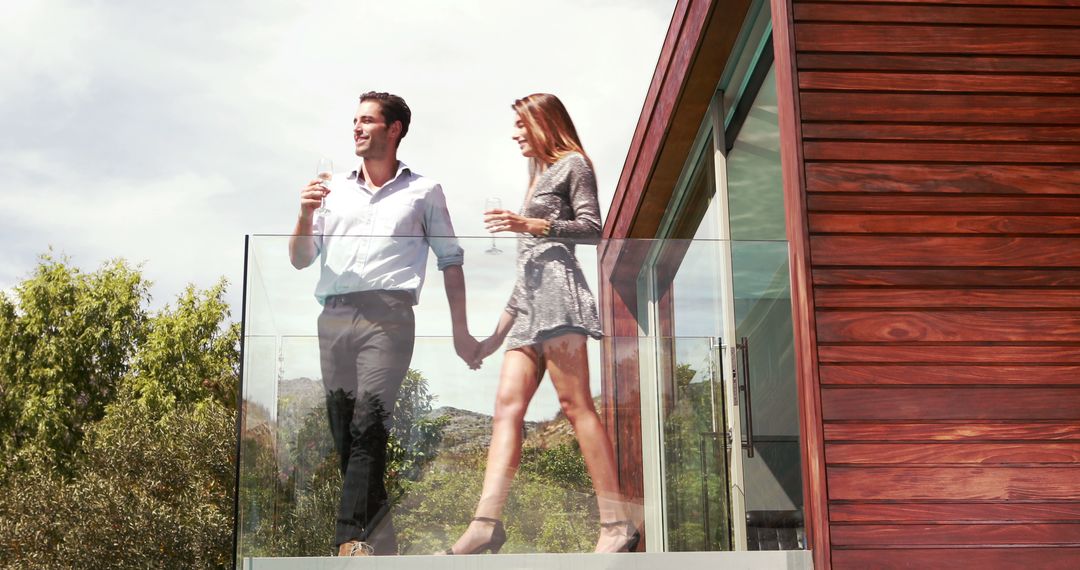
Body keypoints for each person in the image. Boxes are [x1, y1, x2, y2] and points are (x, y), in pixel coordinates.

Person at [445, 93, 638, 555]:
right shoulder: (534, 184)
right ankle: (485, 523)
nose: (514, 134)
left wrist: (528, 224)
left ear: (541, 123)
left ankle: (616, 524)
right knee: (505, 410)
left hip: (561, 302)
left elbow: (594, 228)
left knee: (575, 406)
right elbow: (523, 276)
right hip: (528, 312)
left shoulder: (574, 164)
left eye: (519, 124)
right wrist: (490, 340)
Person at [288, 91, 479, 557]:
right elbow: (299, 259)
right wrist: (304, 213)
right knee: (344, 435)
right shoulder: (330, 188)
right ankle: (384, 546)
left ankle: (348, 540)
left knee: (369, 425)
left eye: (368, 120)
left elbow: (451, 260)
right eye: (355, 120)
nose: (356, 127)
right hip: (333, 316)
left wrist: (461, 332)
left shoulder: (425, 191)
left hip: (389, 317)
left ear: (394, 130)